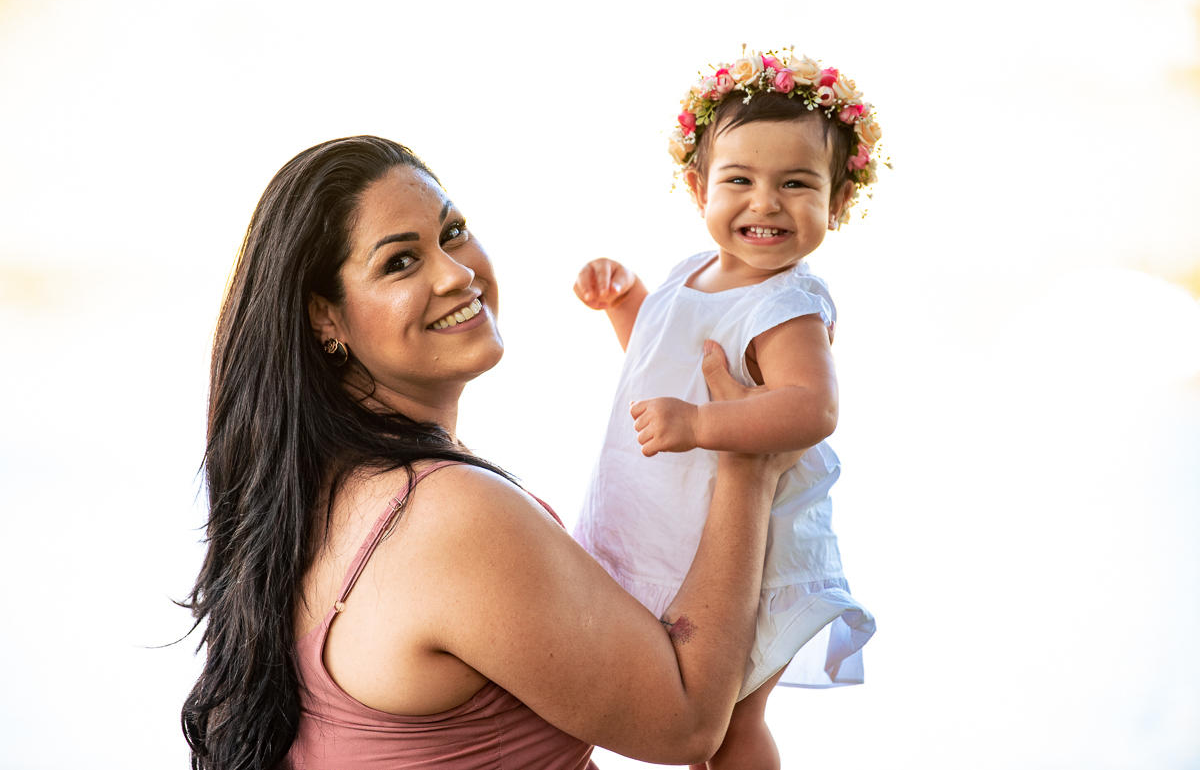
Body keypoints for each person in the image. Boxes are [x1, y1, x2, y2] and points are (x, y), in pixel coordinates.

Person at [180, 135, 799, 770]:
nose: (456, 272)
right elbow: (688, 724)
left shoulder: (315, 501)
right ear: (324, 318)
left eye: (453, 232)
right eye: (399, 263)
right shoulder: (446, 516)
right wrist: (746, 459)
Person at [572, 48, 880, 770]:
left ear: (837, 201)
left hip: (752, 552)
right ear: (696, 185)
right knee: (685, 711)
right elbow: (667, 363)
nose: (765, 203)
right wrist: (627, 303)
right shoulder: (689, 273)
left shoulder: (787, 304)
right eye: (739, 179)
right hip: (673, 526)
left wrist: (702, 426)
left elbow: (811, 406)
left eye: (797, 184)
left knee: (733, 726)